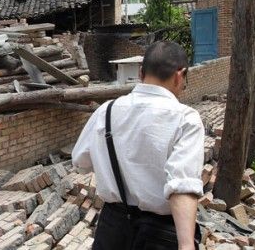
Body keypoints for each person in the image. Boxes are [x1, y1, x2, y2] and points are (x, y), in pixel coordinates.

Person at [72, 41, 204, 250]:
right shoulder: (186, 119)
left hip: (112, 229)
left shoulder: (106, 111)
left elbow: (80, 161)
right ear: (180, 75)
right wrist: (186, 245)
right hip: (159, 235)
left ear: (141, 72)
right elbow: (182, 185)